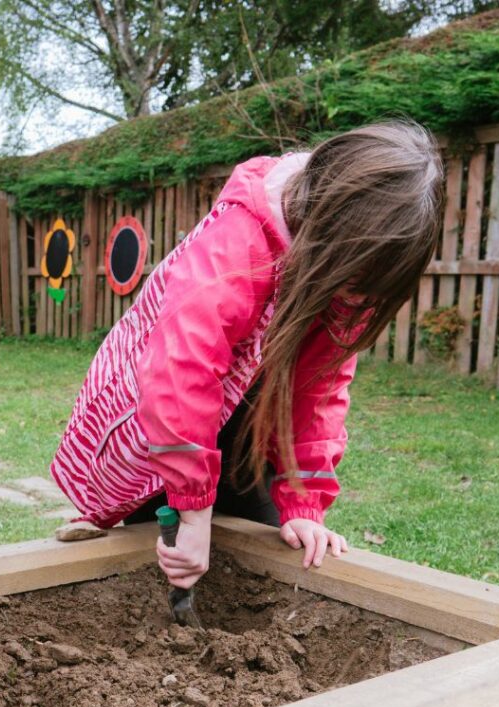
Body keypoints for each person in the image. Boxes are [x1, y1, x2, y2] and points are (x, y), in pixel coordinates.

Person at [51, 121, 446, 590]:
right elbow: (182, 368)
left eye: (370, 291)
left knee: (254, 543)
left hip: (248, 426)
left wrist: (303, 504)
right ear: (326, 229)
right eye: (353, 281)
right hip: (156, 415)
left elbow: (318, 395)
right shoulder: (239, 238)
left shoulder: (352, 292)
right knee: (152, 543)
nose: (356, 300)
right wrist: (193, 511)